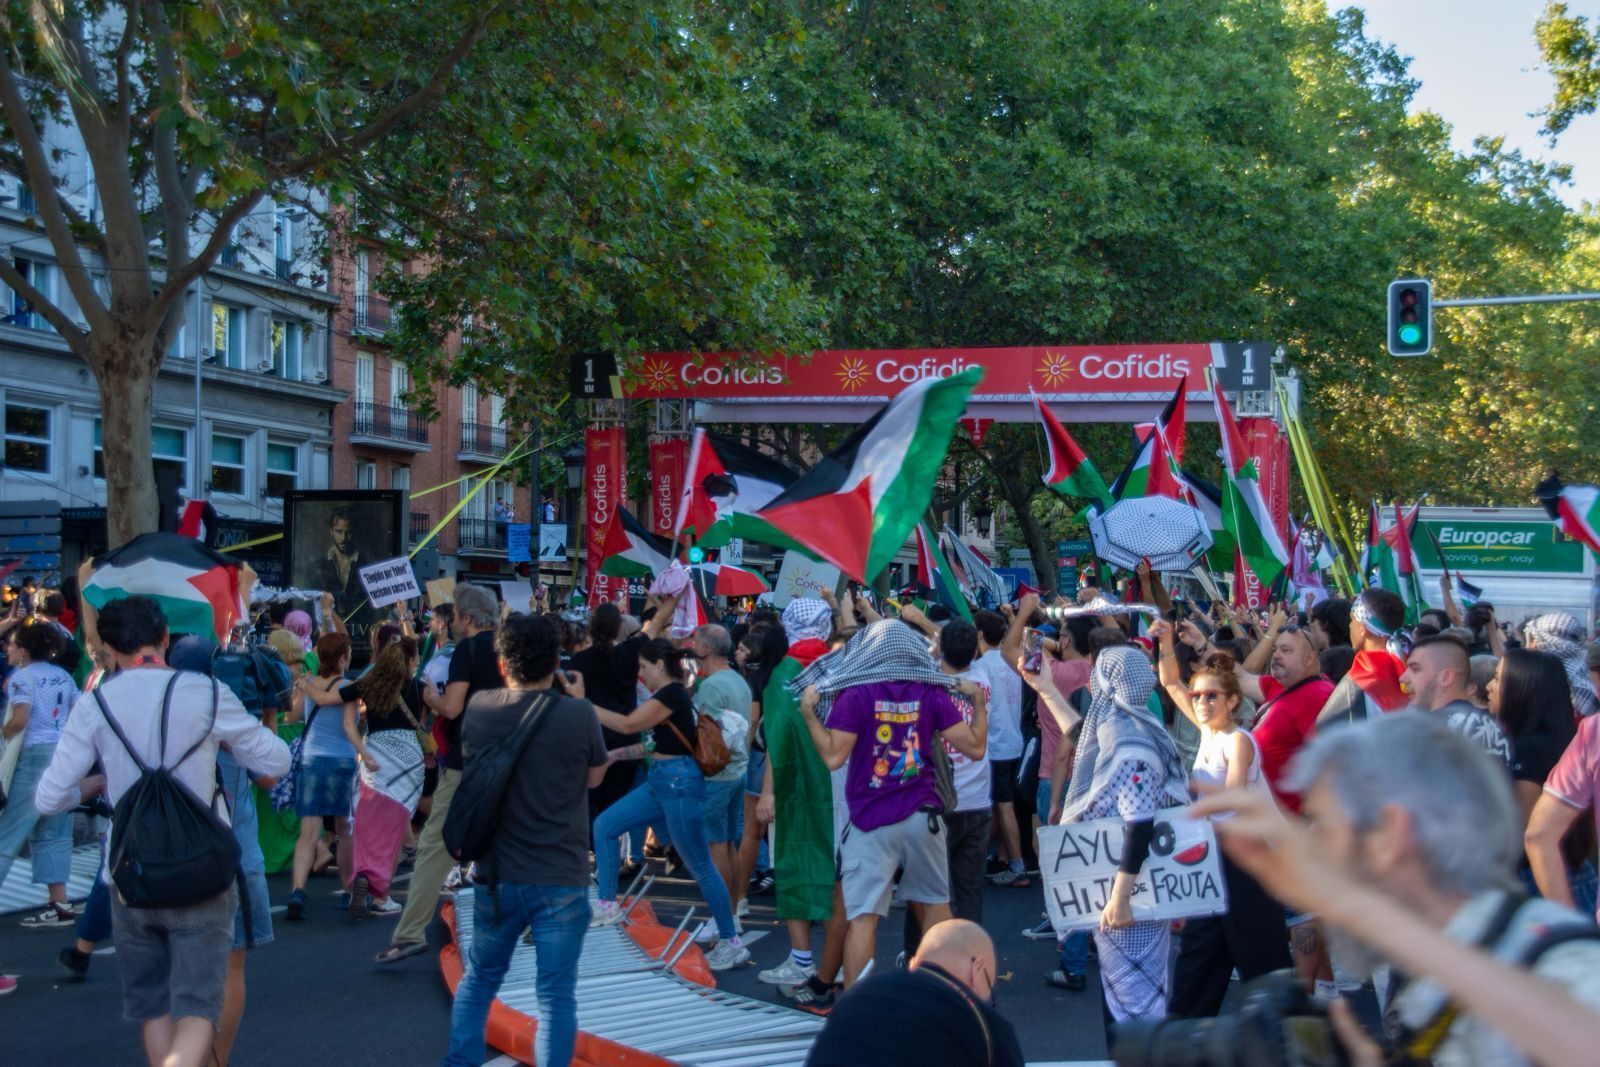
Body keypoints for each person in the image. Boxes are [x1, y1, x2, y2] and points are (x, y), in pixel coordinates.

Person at [1193, 712, 1600, 1067]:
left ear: (1390, 832)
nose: (1315, 844)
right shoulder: (1437, 976)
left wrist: (1354, 906)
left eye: (1325, 823)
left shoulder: (1551, 957)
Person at [35, 596, 289, 1067]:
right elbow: (276, 759)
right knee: (198, 1007)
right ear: (165, 639)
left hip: (129, 874)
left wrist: (92, 786)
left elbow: (49, 798)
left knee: (153, 1007)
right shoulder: (206, 693)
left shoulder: (95, 705)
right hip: (204, 870)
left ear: (110, 648)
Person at [443, 613, 607, 1067]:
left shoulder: (480, 708)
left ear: (502, 664)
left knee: (479, 981)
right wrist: (578, 699)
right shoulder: (579, 713)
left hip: (498, 873)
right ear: (557, 661)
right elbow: (595, 778)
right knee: (555, 996)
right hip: (561, 874)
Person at [793, 619, 988, 986]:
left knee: (863, 918)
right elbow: (975, 748)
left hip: (869, 821)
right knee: (935, 908)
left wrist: (808, 714)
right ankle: (946, 994)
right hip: (923, 816)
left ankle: (856, 1008)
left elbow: (834, 757)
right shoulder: (931, 694)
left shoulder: (856, 694)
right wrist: (977, 701)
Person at [1031, 644, 1191, 1026]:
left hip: (1129, 893)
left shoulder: (1128, 742)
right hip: (1126, 886)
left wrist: (1120, 900)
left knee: (1133, 1005)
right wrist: (1046, 689)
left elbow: (1139, 825)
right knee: (1130, 993)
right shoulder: (1128, 726)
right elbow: (1083, 739)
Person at [1149, 621, 1291, 1017]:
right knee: (1200, 951)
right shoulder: (1208, 733)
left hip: (1248, 858)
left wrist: (1181, 806)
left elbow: (1232, 795)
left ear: (1232, 702)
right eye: (1198, 696)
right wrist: (1164, 640)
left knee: (1263, 962)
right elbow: (1172, 683)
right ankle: (1184, 1032)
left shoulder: (1238, 739)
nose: (1200, 702)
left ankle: (1283, 1037)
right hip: (1213, 854)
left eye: (1211, 696)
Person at [590, 638, 750, 970]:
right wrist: (613, 756)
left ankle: (731, 941)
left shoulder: (671, 695)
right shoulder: (673, 697)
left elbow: (628, 725)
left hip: (678, 783)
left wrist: (582, 705)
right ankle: (607, 903)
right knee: (605, 826)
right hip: (664, 780)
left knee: (702, 866)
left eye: (644, 667)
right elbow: (650, 744)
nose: (640, 674)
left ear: (659, 665)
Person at [379, 583, 502, 963]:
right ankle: (525, 921)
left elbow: (451, 707)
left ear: (465, 618)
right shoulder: (507, 646)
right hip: (508, 756)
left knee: (436, 844)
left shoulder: (469, 649)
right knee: (506, 838)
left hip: (467, 758)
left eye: (454, 616)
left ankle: (411, 931)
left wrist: (430, 696)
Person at [756, 598, 848, 1010]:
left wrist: (769, 792)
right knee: (837, 876)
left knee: (794, 865)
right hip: (843, 785)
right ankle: (840, 962)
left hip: (797, 787)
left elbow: (779, 740)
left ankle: (802, 958)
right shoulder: (842, 665)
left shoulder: (783, 676)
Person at [302, 638, 427, 918]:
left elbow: (324, 700)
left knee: (367, 825)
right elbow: (439, 706)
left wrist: (304, 684)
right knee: (395, 828)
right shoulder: (416, 686)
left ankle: (362, 874)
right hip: (408, 760)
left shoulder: (366, 685)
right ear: (407, 662)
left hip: (376, 755)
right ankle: (381, 895)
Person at [895, 608, 992, 955]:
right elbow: (959, 644)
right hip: (977, 801)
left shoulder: (925, 682)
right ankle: (971, 958)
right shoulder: (983, 678)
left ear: (941, 649)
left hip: (935, 803)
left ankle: (917, 956)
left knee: (925, 890)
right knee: (968, 891)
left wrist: (925, 633)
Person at [803, 919, 1025, 1067]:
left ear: (914, 963)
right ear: (978, 969)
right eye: (989, 994)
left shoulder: (859, 994)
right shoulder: (985, 1025)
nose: (986, 1001)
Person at [1182, 617, 1332, 812]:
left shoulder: (1317, 694)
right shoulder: (1278, 686)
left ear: (1310, 658)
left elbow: (1327, 768)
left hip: (1284, 826)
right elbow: (1239, 676)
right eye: (1275, 649)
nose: (1276, 655)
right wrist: (1201, 643)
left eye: (1286, 650)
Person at [1494, 648, 1595, 915]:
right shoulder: (1566, 737)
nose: (1489, 687)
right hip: (1571, 872)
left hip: (1545, 880)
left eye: (1498, 678)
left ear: (1521, 689)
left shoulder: (1530, 749)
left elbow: (1529, 832)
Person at [0, 621, 79, 928]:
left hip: (32, 754)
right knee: (55, 830)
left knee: (11, 829)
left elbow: (20, 719)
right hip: (62, 754)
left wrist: (3, 733)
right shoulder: (63, 676)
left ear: (24, 651)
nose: (8, 648)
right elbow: (74, 713)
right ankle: (59, 903)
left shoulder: (22, 677)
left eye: (13, 644)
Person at [285, 632, 357, 920]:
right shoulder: (349, 685)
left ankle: (297, 891)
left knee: (308, 832)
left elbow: (290, 717)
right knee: (344, 830)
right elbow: (350, 724)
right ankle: (349, 890)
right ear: (341, 658)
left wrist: (300, 687)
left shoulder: (309, 682)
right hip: (342, 760)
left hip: (312, 759)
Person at [688, 624, 752, 944]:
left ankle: (722, 918)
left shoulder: (712, 686)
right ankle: (733, 914)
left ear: (705, 650)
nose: (691, 646)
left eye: (695, 642)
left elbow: (708, 736)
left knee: (717, 848)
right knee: (728, 845)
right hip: (737, 771)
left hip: (718, 774)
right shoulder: (738, 680)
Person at [971, 596, 1033, 886]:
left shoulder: (982, 666)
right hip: (1013, 740)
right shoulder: (1011, 660)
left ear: (980, 634)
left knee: (1003, 804)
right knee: (999, 803)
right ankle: (1001, 858)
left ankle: (1017, 866)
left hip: (994, 744)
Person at [732, 623, 787, 917]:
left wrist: (742, 750)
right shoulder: (791, 673)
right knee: (790, 830)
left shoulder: (758, 677)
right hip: (790, 755)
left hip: (760, 756)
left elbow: (752, 721)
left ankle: (739, 899)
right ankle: (796, 898)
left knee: (752, 831)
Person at [1401, 634, 1512, 765]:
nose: (1403, 677)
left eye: (1415, 669)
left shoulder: (1432, 730)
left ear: (1445, 677)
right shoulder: (1491, 725)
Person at [1316, 588, 1409, 726]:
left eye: (1352, 620)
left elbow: (1326, 727)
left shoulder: (1363, 674)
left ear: (1362, 629)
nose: (1349, 626)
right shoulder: (1409, 665)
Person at [1523, 612, 1599, 718]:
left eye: (1532, 641)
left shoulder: (1571, 690)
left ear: (1542, 644)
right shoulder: (1584, 684)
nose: (1527, 648)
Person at [311, 507, 372, 635]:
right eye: (339, 532)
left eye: (348, 532)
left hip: (359, 636)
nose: (344, 538)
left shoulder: (368, 566)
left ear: (354, 533)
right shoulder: (317, 567)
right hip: (325, 634)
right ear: (331, 531)